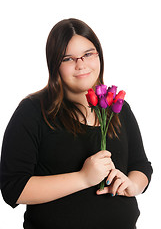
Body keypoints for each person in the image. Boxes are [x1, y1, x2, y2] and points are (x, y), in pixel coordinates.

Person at [0, 18, 153, 229]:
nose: (81, 65)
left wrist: (132, 185)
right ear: (54, 65)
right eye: (68, 58)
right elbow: (13, 188)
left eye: (88, 54)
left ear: (99, 55)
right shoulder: (33, 112)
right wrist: (83, 178)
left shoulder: (118, 107)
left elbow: (141, 166)